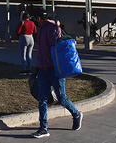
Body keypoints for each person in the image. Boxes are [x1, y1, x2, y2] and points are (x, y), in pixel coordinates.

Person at [31, 8, 83, 139]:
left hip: (55, 71)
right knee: (42, 99)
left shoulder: (53, 28)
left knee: (61, 98)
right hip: (43, 69)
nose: (33, 21)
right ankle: (43, 128)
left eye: (34, 18)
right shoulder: (40, 29)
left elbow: (60, 47)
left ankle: (76, 114)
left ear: (38, 18)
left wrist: (57, 27)